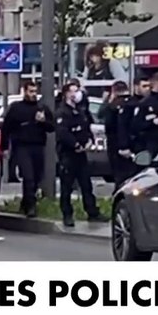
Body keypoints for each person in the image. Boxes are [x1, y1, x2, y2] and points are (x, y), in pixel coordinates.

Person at [0, 81, 54, 217]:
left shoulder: (42, 108)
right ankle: (31, 207)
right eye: (31, 91)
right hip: (22, 146)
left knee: (36, 177)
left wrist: (43, 121)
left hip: (38, 146)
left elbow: (52, 127)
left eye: (35, 92)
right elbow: (6, 128)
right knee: (28, 177)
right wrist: (5, 147)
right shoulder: (16, 108)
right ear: (24, 91)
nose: (33, 94)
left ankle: (25, 203)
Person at [56, 82, 103, 227]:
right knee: (67, 187)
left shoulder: (81, 111)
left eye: (77, 91)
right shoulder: (62, 112)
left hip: (82, 154)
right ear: (66, 94)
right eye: (73, 91)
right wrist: (75, 145)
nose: (76, 94)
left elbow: (87, 127)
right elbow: (63, 133)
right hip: (68, 154)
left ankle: (92, 212)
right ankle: (67, 214)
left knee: (86, 184)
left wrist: (89, 141)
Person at [100, 80, 132, 190]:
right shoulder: (132, 102)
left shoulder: (113, 105)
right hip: (131, 143)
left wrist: (107, 101)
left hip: (114, 143)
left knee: (118, 173)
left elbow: (104, 117)